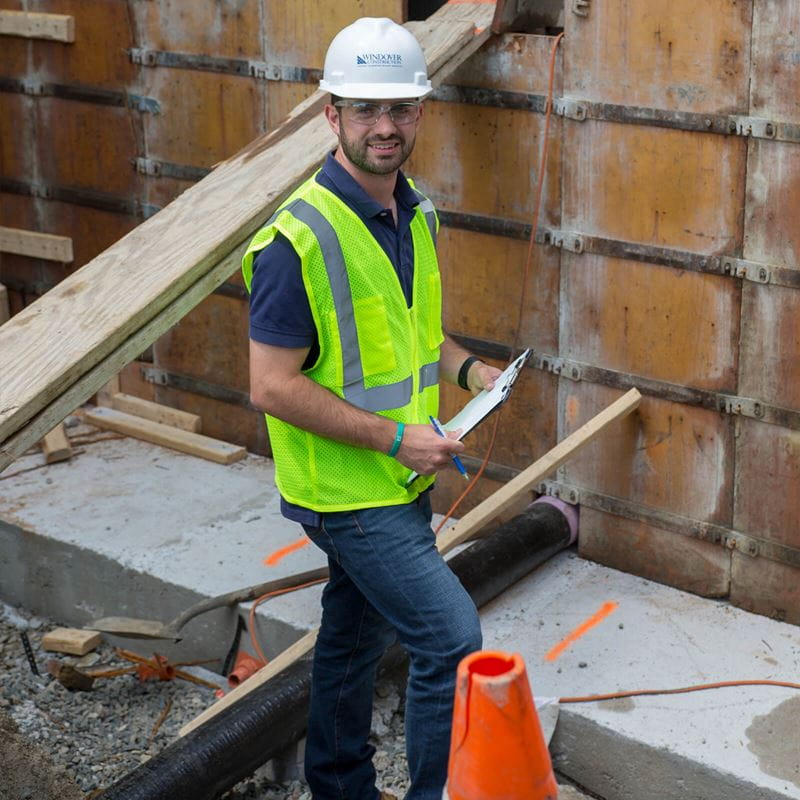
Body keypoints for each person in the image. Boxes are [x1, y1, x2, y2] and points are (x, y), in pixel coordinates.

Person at [242, 17, 502, 800]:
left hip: (397, 476)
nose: (383, 126)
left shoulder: (412, 211)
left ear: (420, 112)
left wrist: (470, 371)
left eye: (399, 108)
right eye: (364, 109)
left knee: (353, 638)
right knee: (452, 638)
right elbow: (271, 386)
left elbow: (410, 338)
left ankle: (339, 786)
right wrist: (397, 439)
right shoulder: (299, 239)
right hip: (349, 492)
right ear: (332, 115)